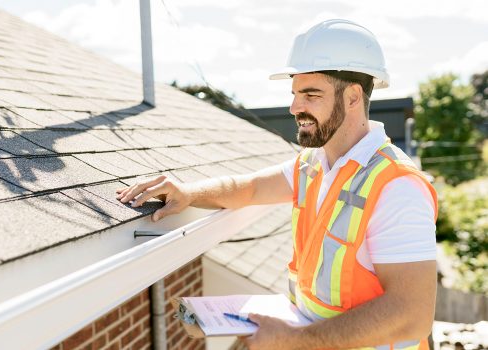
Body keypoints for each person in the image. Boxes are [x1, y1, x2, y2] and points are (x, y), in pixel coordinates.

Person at [116, 19, 438, 350]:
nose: (295, 107)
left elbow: (411, 314)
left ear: (353, 96)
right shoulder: (314, 164)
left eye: (311, 94)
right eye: (296, 94)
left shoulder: (397, 185)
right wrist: (189, 193)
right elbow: (251, 188)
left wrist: (295, 340)